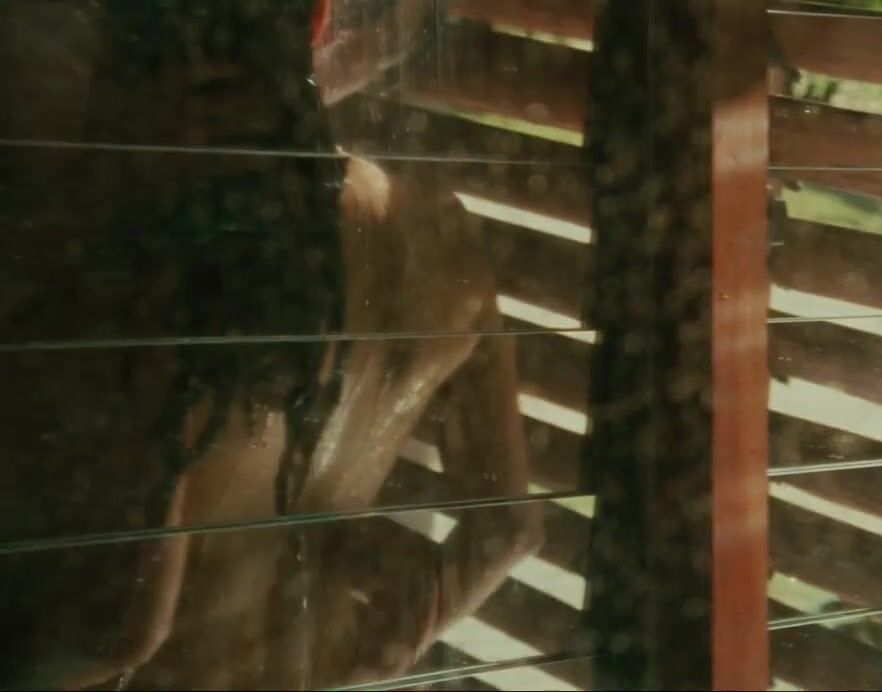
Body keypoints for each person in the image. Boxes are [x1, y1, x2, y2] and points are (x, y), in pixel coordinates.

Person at [0, 1, 540, 688]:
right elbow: (508, 529)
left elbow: (113, 629)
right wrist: (373, 653)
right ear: (318, 23)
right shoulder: (438, 232)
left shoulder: (151, 254)